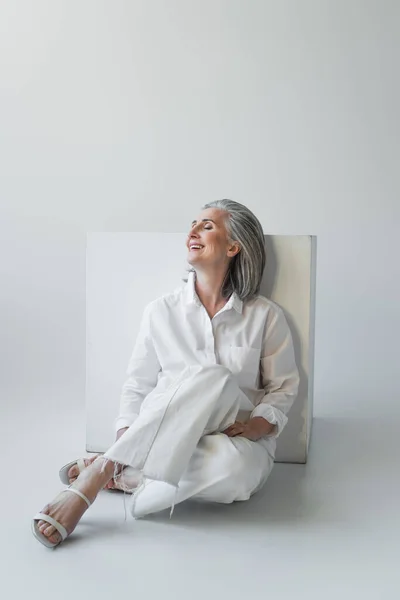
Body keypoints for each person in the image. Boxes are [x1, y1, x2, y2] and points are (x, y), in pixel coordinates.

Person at [32, 199, 300, 548]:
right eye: (193, 224)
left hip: (237, 437)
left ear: (234, 246)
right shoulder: (161, 311)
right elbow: (138, 386)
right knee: (214, 377)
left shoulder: (265, 316)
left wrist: (257, 426)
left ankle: (129, 473)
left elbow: (283, 388)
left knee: (238, 474)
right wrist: (125, 435)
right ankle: (98, 477)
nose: (193, 231)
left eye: (207, 226)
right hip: (165, 431)